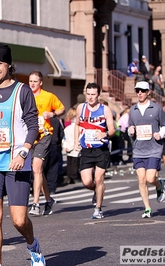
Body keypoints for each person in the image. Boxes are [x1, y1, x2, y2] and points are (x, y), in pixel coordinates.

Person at [0, 43, 45, 266]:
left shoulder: (22, 91)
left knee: (19, 221)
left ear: (9, 65)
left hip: (16, 162)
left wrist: (23, 152)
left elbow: (33, 126)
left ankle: (33, 245)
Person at [74, 82, 115, 219]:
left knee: (98, 179)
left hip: (101, 149)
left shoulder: (105, 109)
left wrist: (105, 134)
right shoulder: (81, 108)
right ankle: (97, 191)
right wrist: (75, 141)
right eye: (88, 94)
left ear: (98, 95)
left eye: (93, 95)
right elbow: (77, 124)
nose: (90, 97)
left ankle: (98, 209)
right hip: (86, 149)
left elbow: (112, 129)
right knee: (87, 182)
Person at [128, 81, 165, 218]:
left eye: (142, 91)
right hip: (138, 149)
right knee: (141, 179)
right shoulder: (132, 110)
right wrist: (130, 130)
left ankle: (159, 185)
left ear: (148, 92)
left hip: (154, 148)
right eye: (137, 90)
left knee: (151, 178)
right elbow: (130, 127)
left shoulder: (156, 108)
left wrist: (160, 134)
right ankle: (147, 208)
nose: (140, 93)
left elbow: (164, 125)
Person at [28, 70, 65, 216]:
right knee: (38, 171)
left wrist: (52, 114)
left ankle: (36, 204)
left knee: (36, 168)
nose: (32, 83)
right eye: (30, 81)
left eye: (35, 81)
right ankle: (48, 200)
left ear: (40, 83)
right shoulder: (25, 96)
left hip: (45, 134)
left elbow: (62, 108)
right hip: (30, 137)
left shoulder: (48, 96)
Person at [62, 107, 80, 184]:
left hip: (68, 147)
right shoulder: (78, 128)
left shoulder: (66, 129)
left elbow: (64, 139)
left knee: (70, 163)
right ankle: (75, 177)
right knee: (75, 164)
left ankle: (70, 177)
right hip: (76, 148)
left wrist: (66, 147)